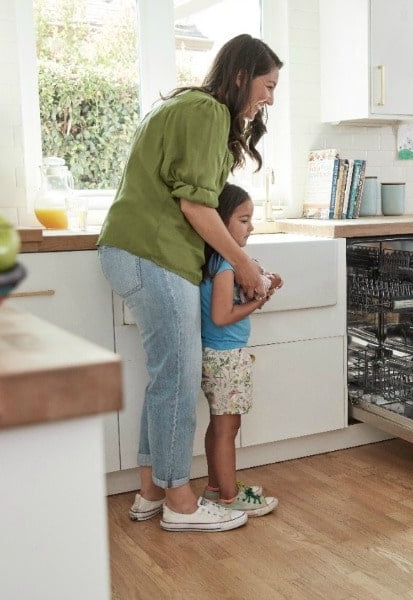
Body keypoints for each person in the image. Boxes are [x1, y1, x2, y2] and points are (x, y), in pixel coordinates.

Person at [96, 34, 283, 532]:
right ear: (241, 75)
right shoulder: (207, 112)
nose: (269, 98)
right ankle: (181, 500)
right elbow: (196, 205)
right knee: (177, 377)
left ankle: (149, 491)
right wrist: (242, 262)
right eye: (267, 85)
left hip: (139, 253)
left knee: (166, 377)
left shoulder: (190, 108)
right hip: (152, 253)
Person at [199, 183, 281, 517]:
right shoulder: (225, 266)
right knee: (227, 430)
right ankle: (230, 498)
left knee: (219, 427)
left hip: (218, 355)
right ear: (221, 222)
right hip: (225, 356)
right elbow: (222, 316)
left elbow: (226, 305)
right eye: (244, 220)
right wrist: (259, 301)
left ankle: (216, 487)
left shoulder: (216, 260)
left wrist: (261, 287)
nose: (251, 227)